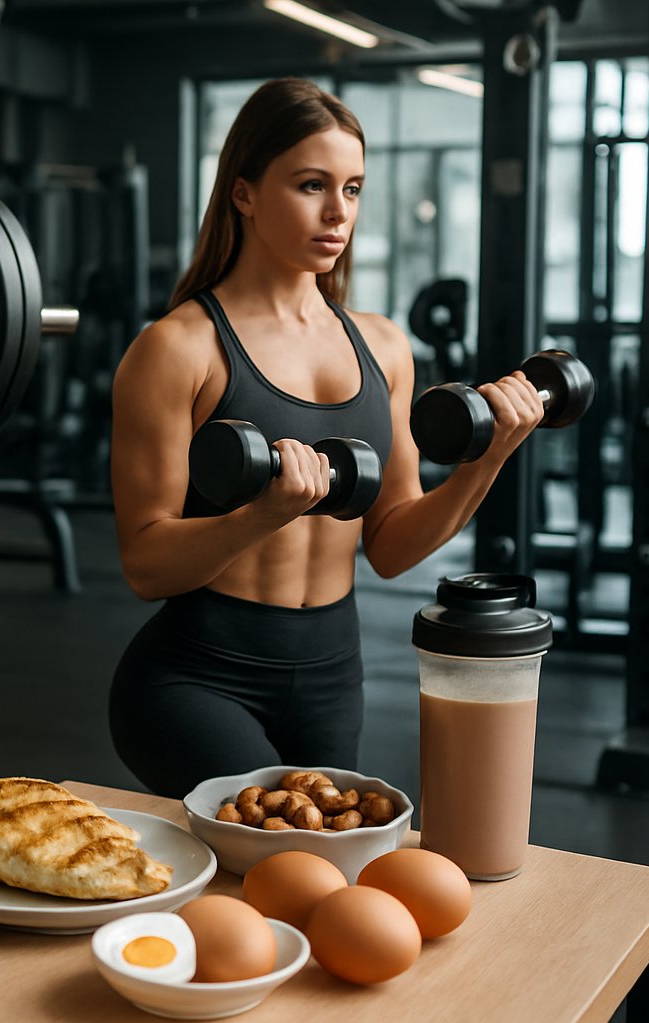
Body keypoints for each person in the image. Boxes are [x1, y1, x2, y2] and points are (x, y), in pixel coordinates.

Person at [107, 78, 546, 799]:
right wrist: (262, 515)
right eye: (312, 185)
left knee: (324, 873)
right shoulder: (178, 349)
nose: (338, 211)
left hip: (332, 674)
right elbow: (145, 566)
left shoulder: (383, 346)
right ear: (244, 192)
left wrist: (488, 457)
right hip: (196, 675)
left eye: (353, 188)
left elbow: (392, 543)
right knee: (286, 857)